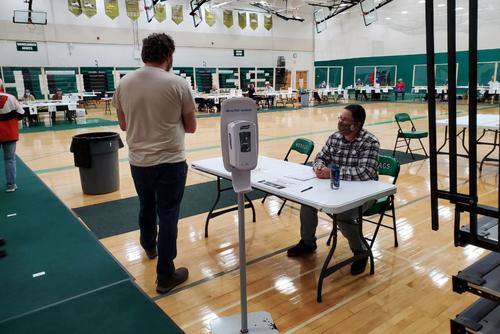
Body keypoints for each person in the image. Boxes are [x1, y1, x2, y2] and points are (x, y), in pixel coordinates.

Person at [112, 33, 197, 294]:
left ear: (144, 54)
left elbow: (124, 124)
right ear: (169, 56)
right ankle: (165, 275)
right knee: (168, 213)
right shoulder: (178, 83)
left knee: (146, 205)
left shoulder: (124, 83)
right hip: (170, 161)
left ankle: (149, 245)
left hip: (139, 161)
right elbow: (191, 126)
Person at [287, 104, 380, 276]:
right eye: (340, 118)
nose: (340, 122)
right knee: (307, 202)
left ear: (356, 124)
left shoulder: (370, 142)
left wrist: (333, 173)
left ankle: (360, 252)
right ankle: (308, 242)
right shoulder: (335, 138)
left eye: (345, 120)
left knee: (344, 215)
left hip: (364, 194)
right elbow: (320, 157)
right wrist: (319, 167)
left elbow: (365, 172)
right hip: (336, 188)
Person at [0, 79, 25, 193]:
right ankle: (11, 185)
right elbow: (21, 114)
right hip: (9, 134)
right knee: (9, 159)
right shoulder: (10, 97)